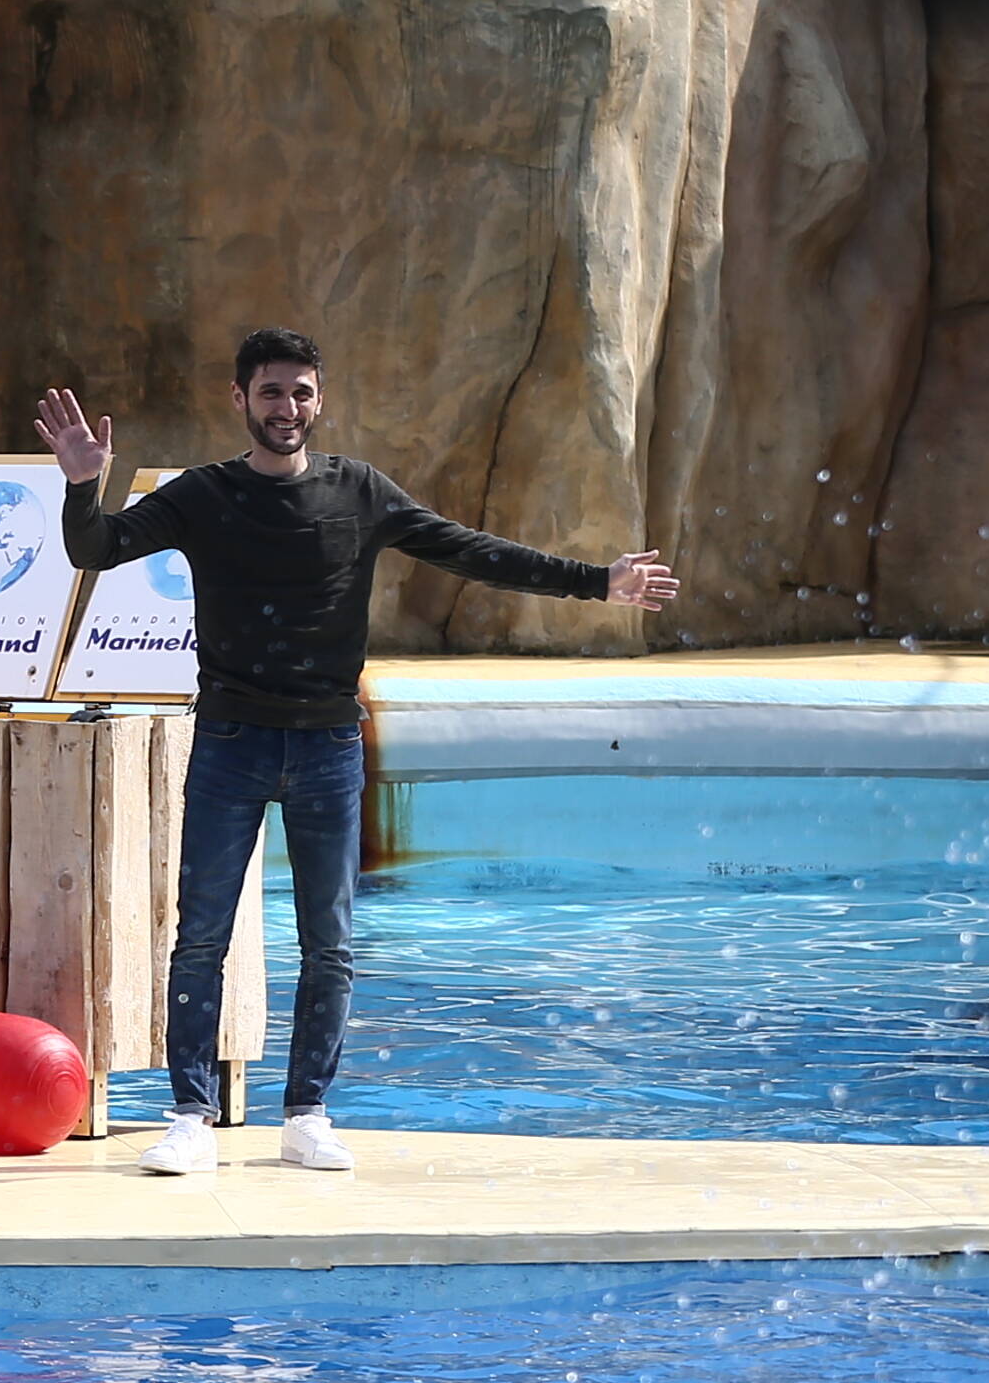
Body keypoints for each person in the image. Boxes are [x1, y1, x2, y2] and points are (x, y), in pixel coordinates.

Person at [40, 331, 680, 1175]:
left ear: (320, 399)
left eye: (302, 393)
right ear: (240, 400)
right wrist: (84, 490)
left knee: (329, 942)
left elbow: (470, 550)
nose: (288, 409)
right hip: (231, 738)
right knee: (202, 936)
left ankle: (307, 1111)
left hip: (328, 744)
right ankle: (190, 1114)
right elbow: (96, 549)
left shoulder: (359, 493)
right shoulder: (204, 495)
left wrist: (598, 582)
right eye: (271, 393)